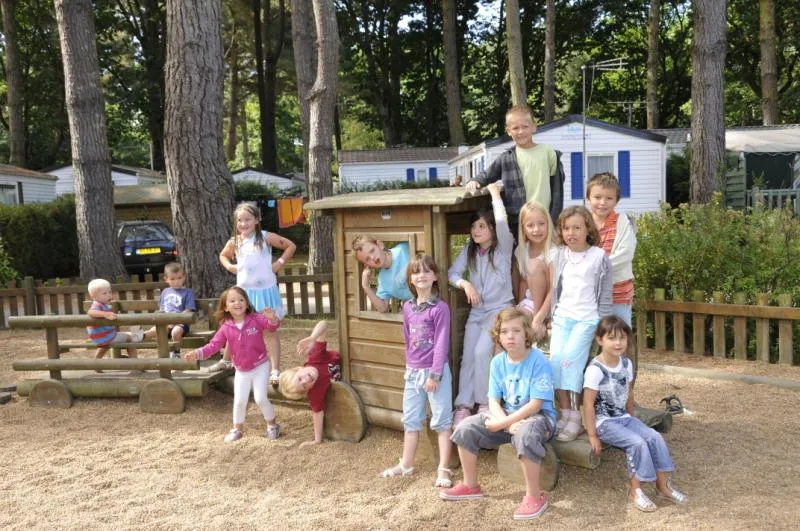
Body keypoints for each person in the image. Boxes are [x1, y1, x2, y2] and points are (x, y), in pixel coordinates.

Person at [441, 307, 556, 521]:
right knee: (466, 426)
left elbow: (536, 404)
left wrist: (506, 423)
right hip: (508, 416)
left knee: (526, 432)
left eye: (516, 331)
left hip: (539, 418)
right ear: (498, 336)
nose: (510, 336)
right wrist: (504, 422)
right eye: (504, 332)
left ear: (526, 334)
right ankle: (470, 485)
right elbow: (493, 400)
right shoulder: (498, 362)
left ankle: (534, 496)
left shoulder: (538, 361)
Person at [583, 316, 687, 512]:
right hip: (604, 423)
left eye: (622, 338)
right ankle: (635, 490)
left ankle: (663, 486)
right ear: (599, 340)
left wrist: (632, 418)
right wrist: (592, 435)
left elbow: (629, 392)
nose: (618, 343)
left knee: (654, 437)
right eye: (612, 338)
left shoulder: (626, 364)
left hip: (624, 418)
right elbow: (587, 404)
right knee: (636, 443)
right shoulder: (595, 370)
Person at [379, 254, 454, 488]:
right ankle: (406, 463)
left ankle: (444, 468)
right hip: (412, 372)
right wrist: (410, 366)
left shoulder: (440, 308)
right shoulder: (408, 307)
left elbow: (442, 342)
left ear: (434, 277)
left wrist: (434, 374)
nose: (420, 275)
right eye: (416, 272)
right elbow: (407, 337)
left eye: (426, 271)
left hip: (435, 373)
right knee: (410, 419)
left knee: (442, 420)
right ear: (410, 278)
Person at [448, 182, 514, 427]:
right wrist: (465, 284)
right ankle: (463, 405)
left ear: (492, 230)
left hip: (499, 311)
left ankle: (485, 403)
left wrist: (496, 195)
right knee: (467, 357)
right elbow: (451, 273)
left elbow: (502, 222)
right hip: (477, 312)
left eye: (482, 226)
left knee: (482, 352)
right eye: (474, 226)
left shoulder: (504, 247)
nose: (476, 230)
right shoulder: (470, 250)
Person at [211, 202, 296, 381]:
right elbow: (223, 255)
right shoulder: (235, 241)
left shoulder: (265, 237)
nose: (243, 224)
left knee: (270, 332)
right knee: (235, 327)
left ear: (257, 220)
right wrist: (230, 266)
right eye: (240, 220)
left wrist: (278, 264)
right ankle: (226, 361)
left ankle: (275, 370)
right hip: (244, 294)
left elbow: (290, 246)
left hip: (265, 293)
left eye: (247, 219)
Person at [184, 287, 281, 442]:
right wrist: (198, 353)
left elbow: (272, 328)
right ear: (225, 307)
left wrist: (272, 319)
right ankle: (237, 429)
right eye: (232, 300)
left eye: (241, 300)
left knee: (261, 398)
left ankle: (272, 425)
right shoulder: (226, 327)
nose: (238, 303)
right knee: (239, 400)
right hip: (241, 370)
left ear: (247, 304)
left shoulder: (256, 319)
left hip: (260, 366)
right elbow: (214, 346)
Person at [549, 206, 612, 442]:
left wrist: (603, 326)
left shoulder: (599, 257)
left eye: (577, 227)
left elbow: (605, 295)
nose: (571, 233)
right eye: (566, 228)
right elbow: (554, 288)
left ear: (588, 229)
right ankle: (564, 414)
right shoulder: (559, 254)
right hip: (562, 318)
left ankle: (576, 419)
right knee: (555, 365)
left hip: (586, 319)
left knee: (571, 365)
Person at [464, 104, 562, 235]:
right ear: (509, 131)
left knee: (546, 254)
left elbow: (557, 188)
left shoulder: (548, 153)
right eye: (515, 128)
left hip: (544, 220)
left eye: (525, 127)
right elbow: (488, 174)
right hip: (518, 222)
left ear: (534, 126)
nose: (520, 131)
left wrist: (554, 219)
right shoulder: (506, 158)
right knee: (519, 255)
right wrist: (476, 180)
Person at [278, 320, 342, 447]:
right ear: (307, 391)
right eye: (304, 386)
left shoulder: (315, 357)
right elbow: (317, 413)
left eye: (299, 378)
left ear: (298, 369)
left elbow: (324, 324)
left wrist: (313, 337)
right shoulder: (314, 392)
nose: (306, 381)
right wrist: (317, 440)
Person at [587, 172, 637, 326]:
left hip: (618, 295)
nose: (602, 202)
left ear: (616, 201)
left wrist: (594, 268)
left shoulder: (622, 222)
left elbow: (625, 254)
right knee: (594, 341)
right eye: (597, 197)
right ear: (588, 198)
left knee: (619, 339)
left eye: (609, 198)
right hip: (589, 296)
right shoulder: (583, 222)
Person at [515, 200, 555, 339]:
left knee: (535, 266)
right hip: (530, 303)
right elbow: (523, 281)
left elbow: (553, 288)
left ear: (548, 224)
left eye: (541, 224)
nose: (536, 230)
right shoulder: (521, 251)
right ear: (523, 228)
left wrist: (538, 318)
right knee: (507, 323)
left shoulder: (554, 251)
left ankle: (538, 320)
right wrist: (519, 306)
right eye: (530, 225)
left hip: (550, 304)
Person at [142, 262, 196, 358]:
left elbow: (188, 310)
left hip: (181, 323)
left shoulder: (188, 292)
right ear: (166, 279)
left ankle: (176, 353)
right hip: (165, 322)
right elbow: (162, 310)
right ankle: (137, 337)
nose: (176, 282)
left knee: (175, 332)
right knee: (154, 330)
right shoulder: (165, 292)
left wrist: (175, 320)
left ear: (184, 277)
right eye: (172, 279)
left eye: (179, 278)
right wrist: (160, 319)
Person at [86, 279, 143, 366]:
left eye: (109, 292)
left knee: (105, 346)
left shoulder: (103, 305)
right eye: (104, 293)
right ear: (94, 296)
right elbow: (90, 312)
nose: (109, 295)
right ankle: (135, 364)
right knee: (130, 339)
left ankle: (96, 363)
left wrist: (107, 314)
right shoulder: (97, 305)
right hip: (107, 336)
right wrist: (105, 314)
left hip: (102, 336)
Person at [352, 235, 413, 313]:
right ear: (367, 265)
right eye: (367, 259)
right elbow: (382, 308)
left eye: (372, 250)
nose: (372, 257)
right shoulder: (383, 280)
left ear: (380, 245)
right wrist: (365, 287)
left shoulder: (404, 249)